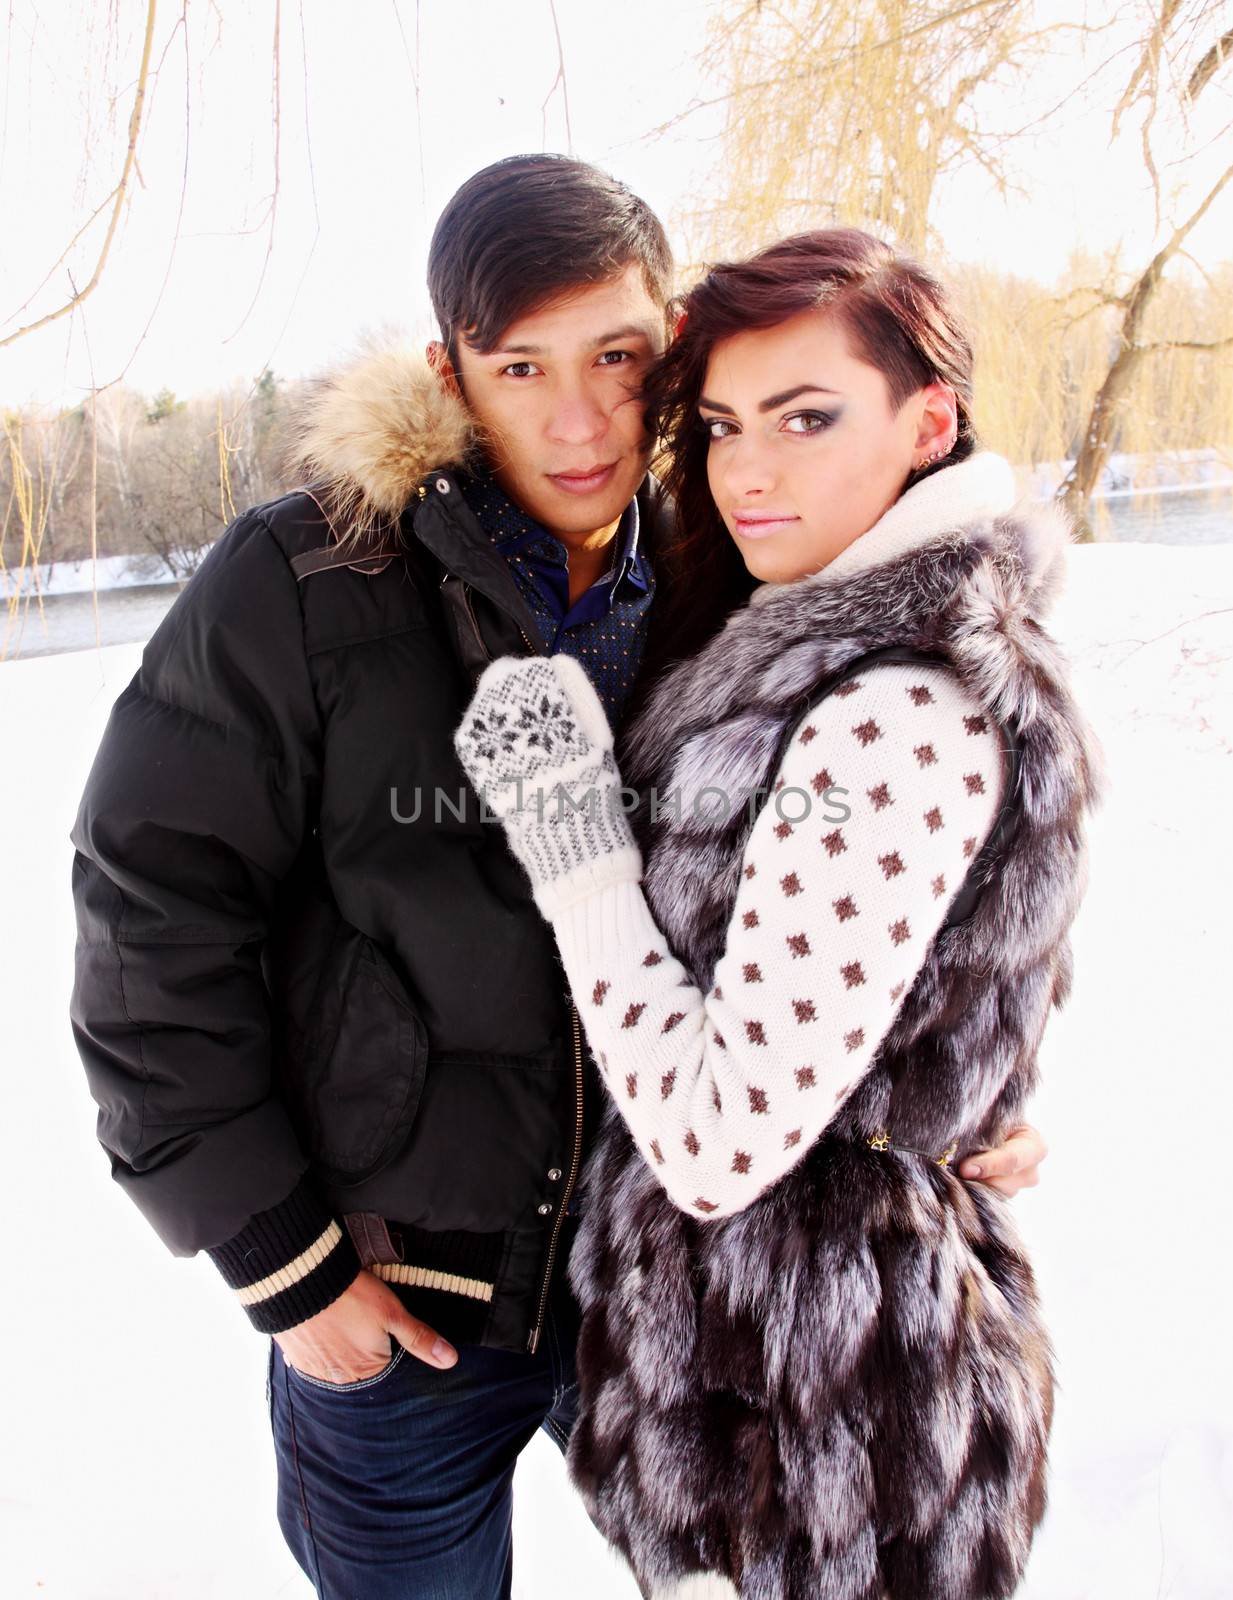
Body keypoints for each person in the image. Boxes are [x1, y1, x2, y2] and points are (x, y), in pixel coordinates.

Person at [69, 157, 1049, 1600]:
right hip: (403, 1304)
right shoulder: (306, 577)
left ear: (669, 347)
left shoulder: (735, 567)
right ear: (449, 371)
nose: (578, 417)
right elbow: (150, 909)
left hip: (664, 1299)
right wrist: (278, 1256)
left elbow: (837, 887)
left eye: (616, 357)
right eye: (519, 366)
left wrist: (947, 1086)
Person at [453, 227, 1105, 1600]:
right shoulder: (841, 639)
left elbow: (708, 1143)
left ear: (926, 421)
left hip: (818, 1436)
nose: (747, 469)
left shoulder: (893, 713)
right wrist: (943, 1096)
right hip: (784, 1381)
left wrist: (576, 851)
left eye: (807, 419)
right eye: (722, 424)